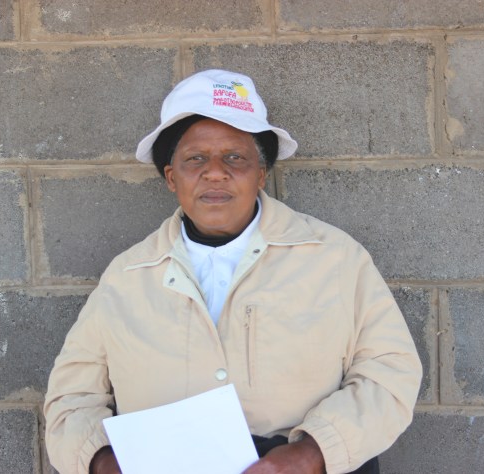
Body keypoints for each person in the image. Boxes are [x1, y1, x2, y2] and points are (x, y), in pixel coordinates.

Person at [44, 69, 422, 474]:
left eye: (234, 157)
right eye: (195, 159)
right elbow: (71, 400)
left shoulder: (334, 258)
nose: (215, 172)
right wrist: (103, 462)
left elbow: (390, 371)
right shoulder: (127, 276)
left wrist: (313, 453)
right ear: (171, 178)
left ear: (261, 173)